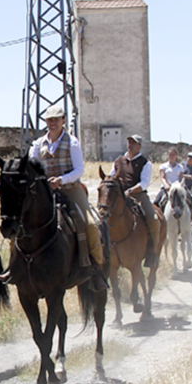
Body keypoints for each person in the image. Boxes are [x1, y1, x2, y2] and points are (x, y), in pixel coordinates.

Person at [27, 104, 106, 289]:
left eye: (56, 119)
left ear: (63, 121)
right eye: (49, 120)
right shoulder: (37, 144)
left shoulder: (72, 142)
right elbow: (31, 166)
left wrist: (61, 180)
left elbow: (79, 169)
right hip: (45, 192)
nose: (52, 123)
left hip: (70, 189)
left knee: (91, 224)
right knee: (21, 220)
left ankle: (97, 268)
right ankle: (17, 267)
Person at [109, 134, 161, 266]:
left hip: (138, 196)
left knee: (153, 219)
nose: (130, 144)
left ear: (140, 146)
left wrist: (130, 191)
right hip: (119, 197)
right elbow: (111, 177)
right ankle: (105, 251)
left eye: (134, 142)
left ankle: (152, 251)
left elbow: (144, 183)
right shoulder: (119, 161)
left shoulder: (145, 163)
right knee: (103, 217)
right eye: (129, 141)